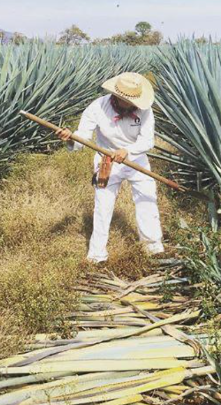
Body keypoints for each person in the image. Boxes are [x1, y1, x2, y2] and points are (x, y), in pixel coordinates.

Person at [56, 72, 164, 263]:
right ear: (116, 95)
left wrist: (128, 151)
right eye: (127, 100)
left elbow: (148, 141)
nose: (131, 104)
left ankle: (153, 247)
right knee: (103, 205)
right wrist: (71, 138)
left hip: (136, 159)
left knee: (147, 199)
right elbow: (83, 136)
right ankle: (97, 255)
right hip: (106, 160)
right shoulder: (97, 107)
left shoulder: (145, 110)